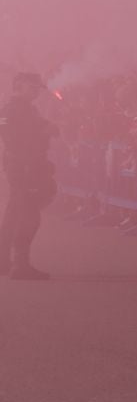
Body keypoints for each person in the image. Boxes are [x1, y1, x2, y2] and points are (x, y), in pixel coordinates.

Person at [0, 72, 56, 280]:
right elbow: (15, 138)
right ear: (20, 85)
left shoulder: (23, 109)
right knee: (28, 215)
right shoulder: (13, 109)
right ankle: (20, 264)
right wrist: (43, 132)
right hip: (25, 166)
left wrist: (47, 128)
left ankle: (4, 260)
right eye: (32, 86)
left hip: (23, 165)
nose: (36, 91)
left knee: (14, 212)